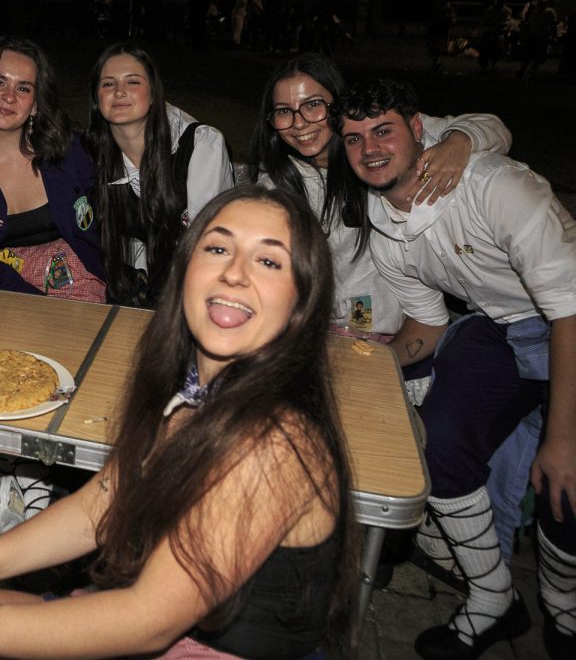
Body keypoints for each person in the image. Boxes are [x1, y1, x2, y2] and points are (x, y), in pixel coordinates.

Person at [0, 186, 360, 659]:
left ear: (302, 302)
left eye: (269, 261)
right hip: (146, 621)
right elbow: (104, 501)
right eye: (218, 248)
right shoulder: (189, 391)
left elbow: (147, 620)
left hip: (183, 640)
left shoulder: (274, 443)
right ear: (185, 269)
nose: (234, 273)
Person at [338, 78, 576, 660]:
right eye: (354, 138)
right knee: (435, 444)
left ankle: (563, 606)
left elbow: (568, 309)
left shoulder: (496, 186)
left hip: (567, 320)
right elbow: (427, 326)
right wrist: (359, 365)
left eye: (383, 130)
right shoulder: (382, 223)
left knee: (565, 482)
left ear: (418, 129)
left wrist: (561, 438)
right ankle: (494, 598)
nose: (370, 148)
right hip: (499, 326)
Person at [251, 52, 511, 337]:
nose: (299, 123)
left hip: (419, 318)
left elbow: (493, 127)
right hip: (339, 329)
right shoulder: (277, 188)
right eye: (284, 111)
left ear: (338, 105)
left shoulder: (376, 135)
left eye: (313, 105)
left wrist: (460, 141)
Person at [0, 36, 106, 301]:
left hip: (82, 291)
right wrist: (37, 304)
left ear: (35, 105)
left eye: (23, 88)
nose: (9, 97)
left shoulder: (69, 152)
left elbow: (109, 222)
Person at [85, 41, 234, 306]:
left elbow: (207, 246)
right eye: (108, 84)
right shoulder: (92, 152)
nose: (119, 91)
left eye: (132, 82)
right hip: (131, 294)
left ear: (154, 93)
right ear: (97, 99)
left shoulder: (199, 145)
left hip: (194, 294)